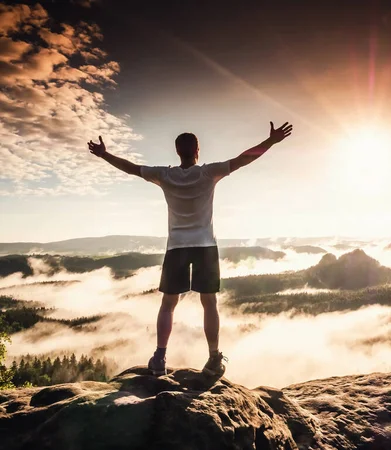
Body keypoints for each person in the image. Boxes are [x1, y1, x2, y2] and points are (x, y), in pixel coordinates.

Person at [87, 121, 293, 376]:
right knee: (210, 303)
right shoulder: (209, 173)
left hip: (176, 248)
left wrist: (105, 154)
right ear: (198, 149)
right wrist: (271, 141)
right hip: (205, 246)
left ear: (177, 151)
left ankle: (160, 358)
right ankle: (214, 358)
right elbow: (242, 160)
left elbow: (131, 168)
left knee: (168, 304)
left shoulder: (164, 175)